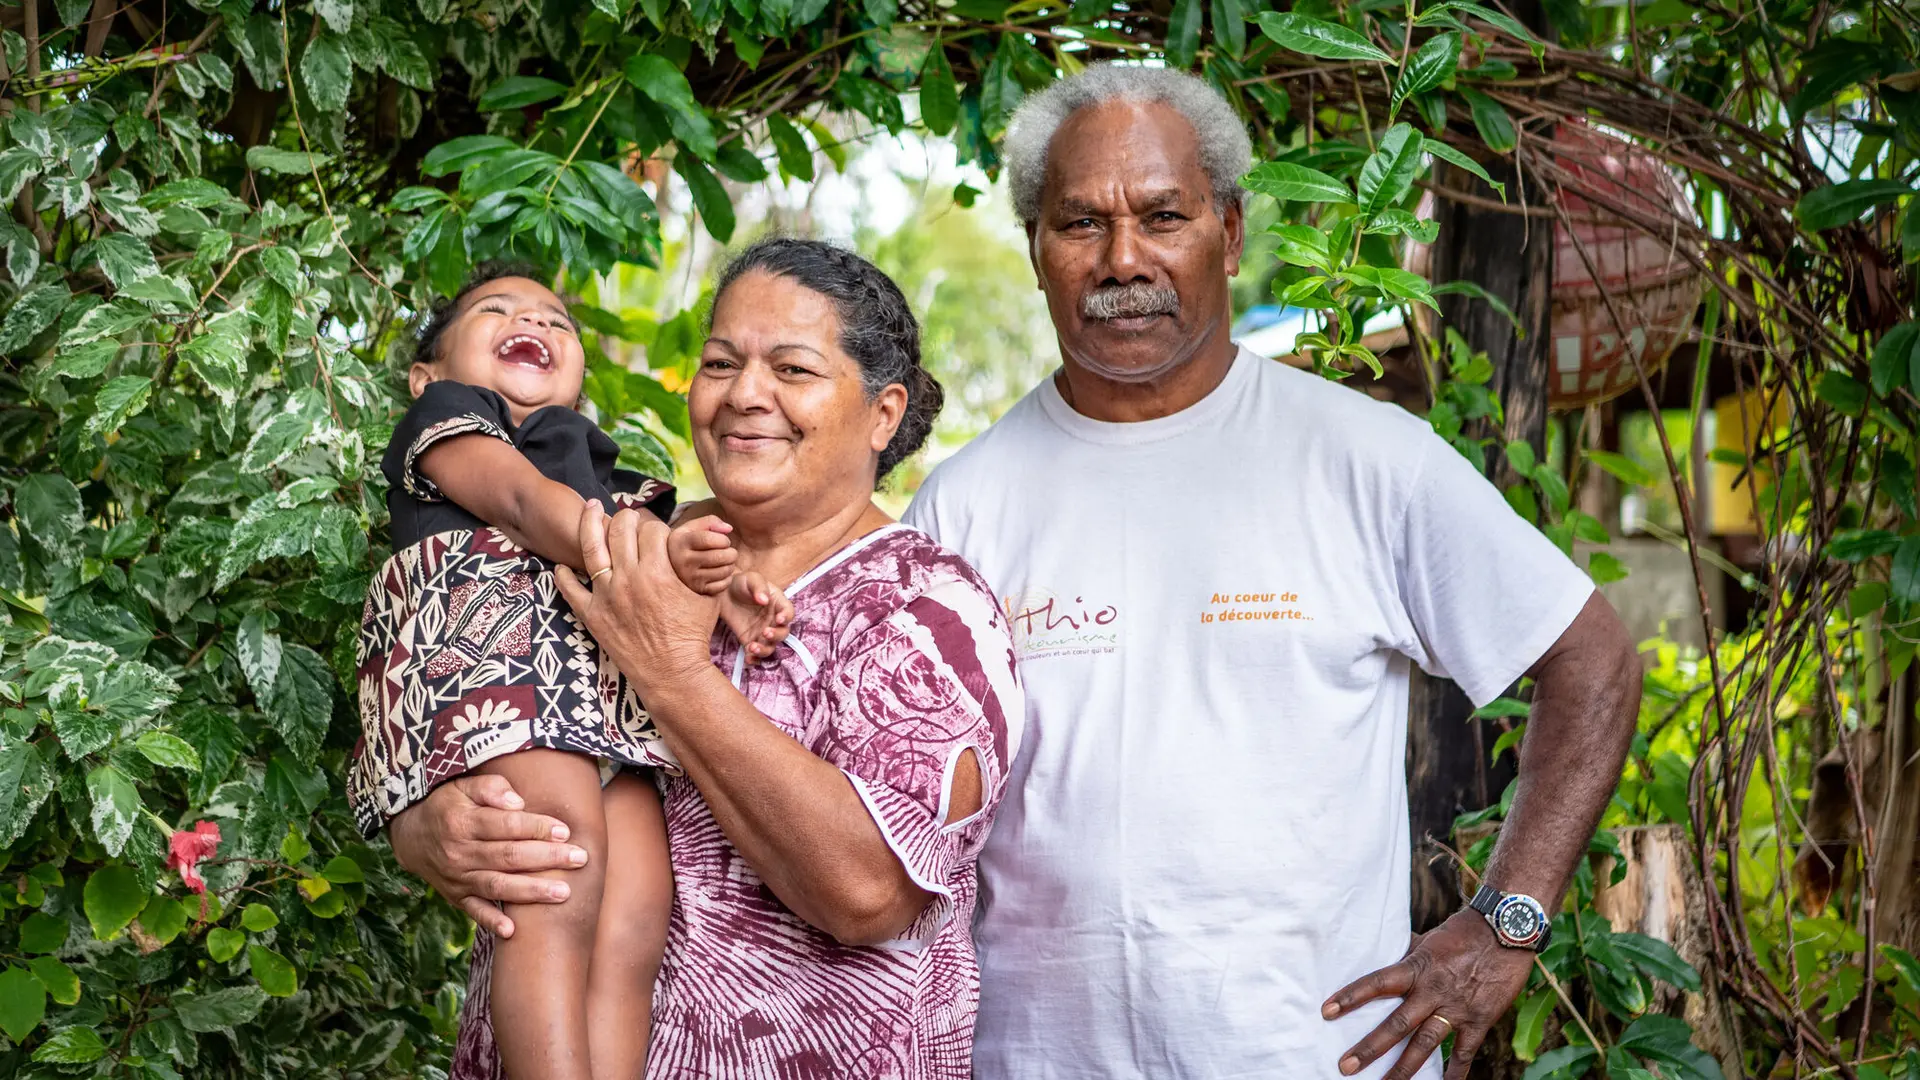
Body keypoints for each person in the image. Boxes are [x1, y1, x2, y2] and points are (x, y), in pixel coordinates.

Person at [898, 65, 1641, 1079]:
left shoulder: (1364, 460)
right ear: (1035, 248)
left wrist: (1506, 923)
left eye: (1164, 215)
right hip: (1035, 1060)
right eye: (1080, 223)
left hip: (1312, 1056)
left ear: (1232, 234)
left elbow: (1590, 660)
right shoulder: (963, 507)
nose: (1124, 259)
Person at [386, 239, 1022, 1078]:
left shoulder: (929, 610)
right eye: (721, 363)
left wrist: (672, 672)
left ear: (883, 413)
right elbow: (457, 683)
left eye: (792, 370)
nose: (745, 396)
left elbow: (868, 891)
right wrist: (429, 828)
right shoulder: (626, 540)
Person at [347, 266, 791, 1080]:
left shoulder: (594, 467)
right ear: (426, 373)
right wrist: (645, 546)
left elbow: (656, 542)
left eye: (558, 322)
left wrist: (723, 583)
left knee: (635, 911)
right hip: (499, 669)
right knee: (554, 874)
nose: (535, 323)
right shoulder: (452, 422)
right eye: (496, 311)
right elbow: (521, 503)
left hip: (605, 703)